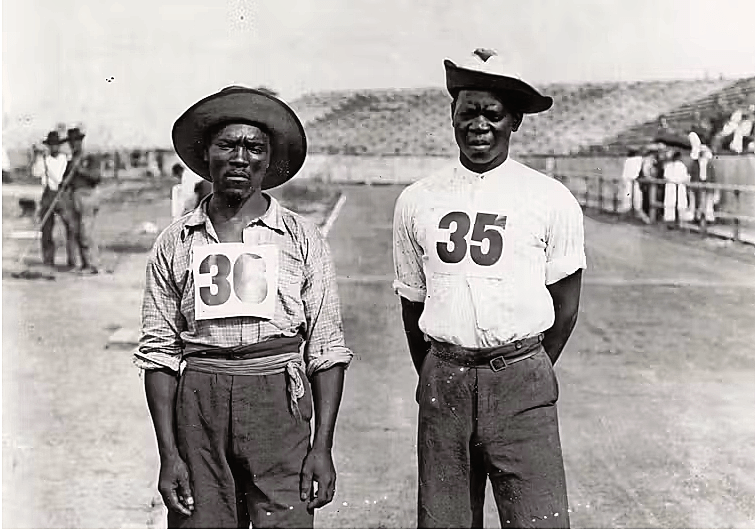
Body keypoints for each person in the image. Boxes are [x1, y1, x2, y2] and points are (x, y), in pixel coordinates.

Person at [135, 86, 352, 528]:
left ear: (269, 160)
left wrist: (322, 447)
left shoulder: (301, 238)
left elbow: (327, 349)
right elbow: (158, 352)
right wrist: (169, 456)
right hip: (200, 403)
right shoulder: (175, 242)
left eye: (253, 147)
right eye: (227, 145)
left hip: (278, 403)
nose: (240, 157)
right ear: (205, 154)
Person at [393, 49, 586, 528]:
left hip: (521, 377)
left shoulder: (549, 197)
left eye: (492, 114)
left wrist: (520, 365)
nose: (479, 124)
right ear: (452, 116)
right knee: (445, 521)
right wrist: (444, 367)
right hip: (446, 378)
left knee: (537, 519)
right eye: (468, 112)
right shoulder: (417, 199)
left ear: (514, 121)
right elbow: (411, 300)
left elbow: (566, 304)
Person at [31, 130, 76, 268]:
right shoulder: (43, 159)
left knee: (71, 227)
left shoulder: (66, 159)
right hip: (48, 195)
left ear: (60, 145)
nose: (54, 147)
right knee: (46, 229)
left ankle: (72, 260)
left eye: (56, 144)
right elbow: (35, 173)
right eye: (51, 145)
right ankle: (48, 260)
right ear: (48, 146)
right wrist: (38, 157)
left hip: (62, 195)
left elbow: (70, 177)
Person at [65, 126, 102, 274]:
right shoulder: (71, 160)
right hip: (74, 197)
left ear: (81, 141)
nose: (74, 144)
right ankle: (84, 264)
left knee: (86, 232)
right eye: (71, 142)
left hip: (88, 197)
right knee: (77, 231)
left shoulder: (90, 158)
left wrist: (79, 170)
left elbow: (96, 178)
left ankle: (93, 265)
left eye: (76, 141)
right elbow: (66, 181)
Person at [619, 147, 643, 214]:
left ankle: (628, 211)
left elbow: (624, 175)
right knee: (637, 199)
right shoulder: (638, 159)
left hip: (628, 182)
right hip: (634, 182)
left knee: (628, 196)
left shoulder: (627, 161)